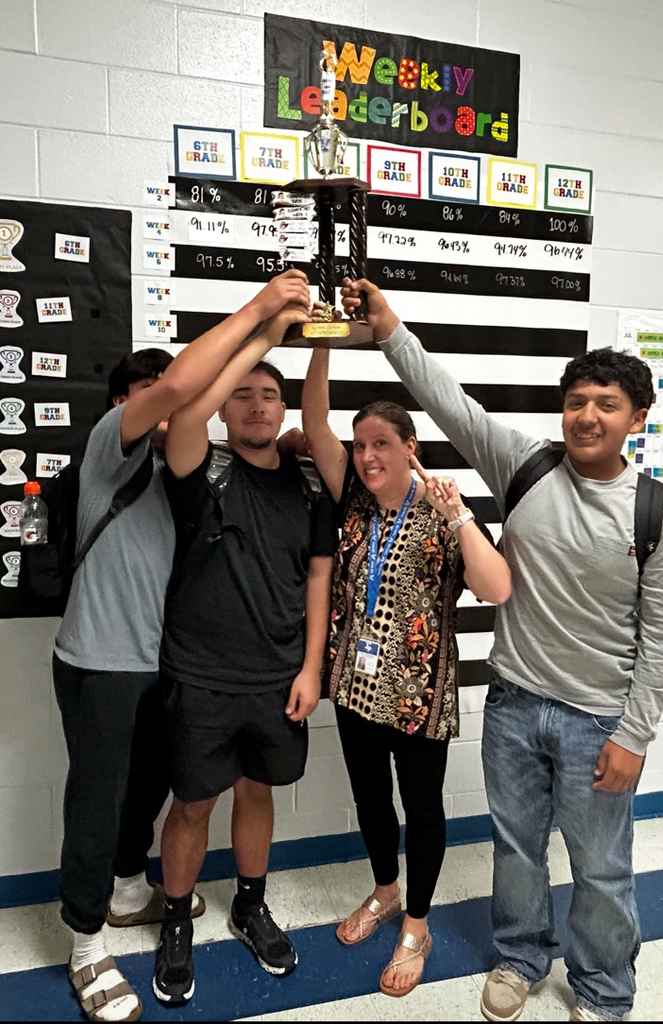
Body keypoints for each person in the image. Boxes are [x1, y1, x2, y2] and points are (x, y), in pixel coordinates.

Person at [339, 279, 663, 1022]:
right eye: (578, 401)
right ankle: (521, 956)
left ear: (637, 418)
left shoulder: (657, 514)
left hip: (598, 719)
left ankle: (602, 989)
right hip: (513, 705)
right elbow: (449, 401)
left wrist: (635, 733)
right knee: (516, 849)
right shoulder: (526, 465)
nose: (588, 416)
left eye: (607, 404)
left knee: (600, 869)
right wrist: (391, 329)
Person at [53, 269, 311, 1024]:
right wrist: (260, 309)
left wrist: (274, 351)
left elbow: (213, 406)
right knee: (95, 803)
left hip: (162, 666)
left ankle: (132, 886)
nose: (176, 405)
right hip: (101, 660)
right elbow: (185, 391)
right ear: (128, 408)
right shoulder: (113, 448)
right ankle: (85, 945)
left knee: (152, 787)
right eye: (158, 398)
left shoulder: (183, 475)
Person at [300, 347, 511, 998]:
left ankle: (416, 924)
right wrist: (322, 340)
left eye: (382, 443)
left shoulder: (444, 510)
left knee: (421, 809)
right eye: (361, 444)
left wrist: (460, 515)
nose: (367, 455)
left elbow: (498, 586)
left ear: (410, 446)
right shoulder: (356, 500)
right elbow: (312, 423)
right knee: (369, 799)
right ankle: (385, 893)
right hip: (356, 689)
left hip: (421, 696)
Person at [152, 307, 338, 1006]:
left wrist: (312, 667)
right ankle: (177, 920)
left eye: (269, 395)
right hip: (199, 675)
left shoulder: (308, 483)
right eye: (243, 394)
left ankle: (249, 905)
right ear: (224, 408)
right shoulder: (200, 469)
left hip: (278, 677)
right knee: (193, 802)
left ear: (283, 408)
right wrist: (262, 332)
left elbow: (319, 577)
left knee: (256, 793)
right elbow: (187, 409)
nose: (257, 406)